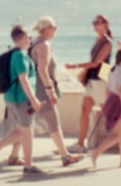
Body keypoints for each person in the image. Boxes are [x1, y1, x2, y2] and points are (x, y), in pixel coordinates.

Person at [0, 25, 44, 176]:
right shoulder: (21, 56)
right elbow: (23, 79)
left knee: (27, 130)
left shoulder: (13, 54)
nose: (30, 40)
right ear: (23, 38)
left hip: (12, 98)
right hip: (22, 100)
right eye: (29, 37)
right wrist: (34, 99)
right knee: (23, 130)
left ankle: (29, 165)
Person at [28, 16, 83, 167]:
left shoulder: (33, 43)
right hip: (42, 90)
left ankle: (12, 155)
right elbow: (42, 70)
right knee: (54, 124)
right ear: (46, 29)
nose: (56, 30)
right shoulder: (44, 45)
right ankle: (65, 156)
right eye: (54, 27)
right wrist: (50, 90)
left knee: (24, 126)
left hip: (33, 89)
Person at [65, 14, 113, 153]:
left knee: (108, 111)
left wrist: (75, 66)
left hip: (100, 80)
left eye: (97, 23)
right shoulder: (98, 40)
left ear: (105, 24)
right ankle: (80, 144)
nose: (94, 25)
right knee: (85, 110)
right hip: (92, 80)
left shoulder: (107, 42)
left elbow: (97, 63)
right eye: (94, 22)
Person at [90, 48, 121, 168]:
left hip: (112, 101)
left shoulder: (112, 70)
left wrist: (108, 104)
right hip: (120, 103)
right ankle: (96, 153)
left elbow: (107, 89)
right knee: (120, 135)